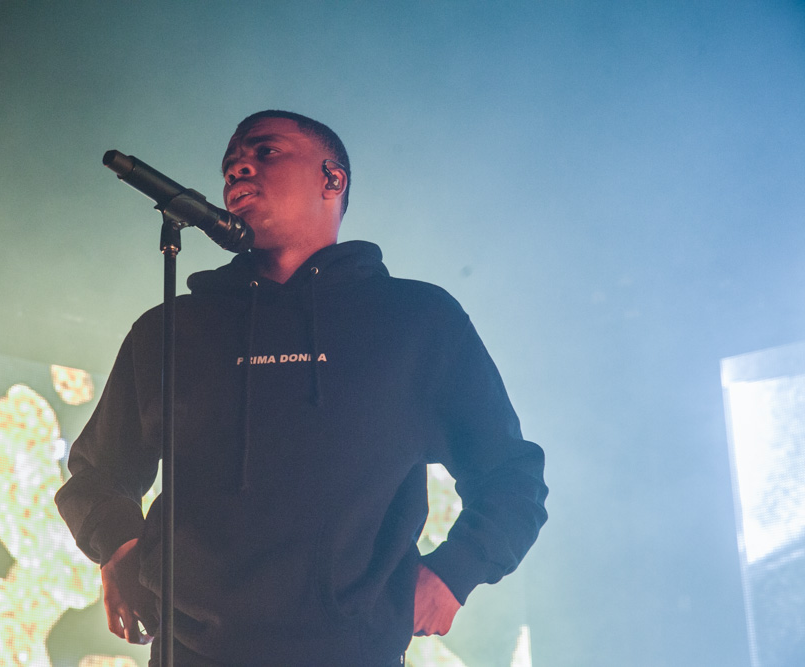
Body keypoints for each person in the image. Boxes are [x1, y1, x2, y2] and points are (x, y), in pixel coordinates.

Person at [55, 110, 548, 666]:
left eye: (266, 151)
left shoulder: (416, 320)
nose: (238, 165)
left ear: (331, 180)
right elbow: (97, 476)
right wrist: (118, 548)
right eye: (230, 164)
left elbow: (513, 476)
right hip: (193, 654)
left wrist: (455, 573)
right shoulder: (173, 328)